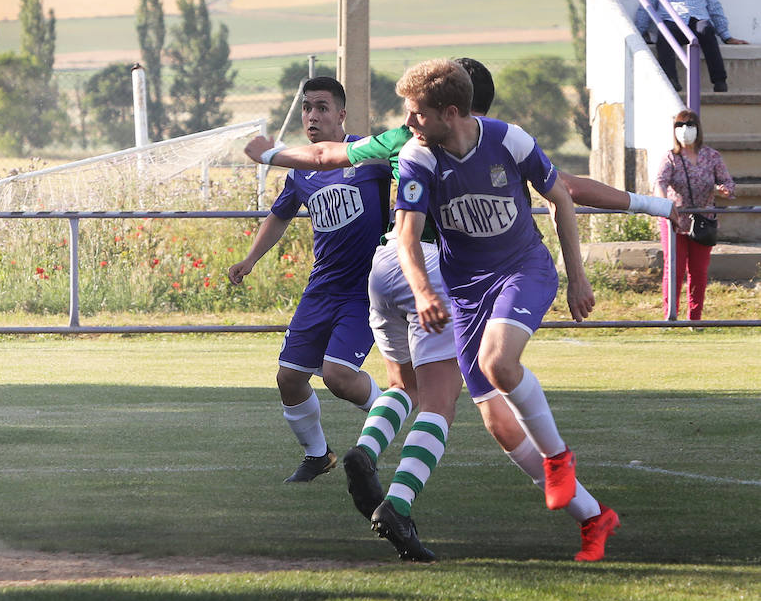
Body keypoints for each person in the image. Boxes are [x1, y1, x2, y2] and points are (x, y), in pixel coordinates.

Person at [245, 57, 637, 562]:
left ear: (452, 111)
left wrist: (270, 153)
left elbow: (562, 193)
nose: (409, 120)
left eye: (417, 111)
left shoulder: (494, 142)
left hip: (387, 271)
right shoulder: (418, 149)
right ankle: (398, 503)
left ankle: (589, 514)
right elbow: (568, 188)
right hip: (431, 274)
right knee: (440, 401)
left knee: (457, 404)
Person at [228, 77, 390, 483]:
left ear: (341, 114)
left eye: (321, 107)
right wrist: (250, 259)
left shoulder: (369, 155)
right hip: (321, 289)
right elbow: (280, 215)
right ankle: (318, 456)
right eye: (306, 108)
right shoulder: (301, 170)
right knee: (289, 378)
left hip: (364, 289)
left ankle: (394, 409)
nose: (312, 116)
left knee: (338, 377)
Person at [634, 0, 747, 93]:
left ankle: (720, 81)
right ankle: (672, 82)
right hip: (671, 21)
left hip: (697, 20)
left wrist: (726, 36)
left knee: (706, 29)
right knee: (665, 35)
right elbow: (647, 6)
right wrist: (639, 32)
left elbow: (714, 7)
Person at [655, 109, 734, 321]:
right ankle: (670, 316)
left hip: (703, 222)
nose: (685, 130)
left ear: (698, 129)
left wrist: (725, 190)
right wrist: (664, 204)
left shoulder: (712, 156)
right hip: (675, 221)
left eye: (690, 125)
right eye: (680, 126)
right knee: (674, 269)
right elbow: (660, 182)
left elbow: (727, 182)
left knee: (698, 270)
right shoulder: (671, 157)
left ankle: (695, 318)